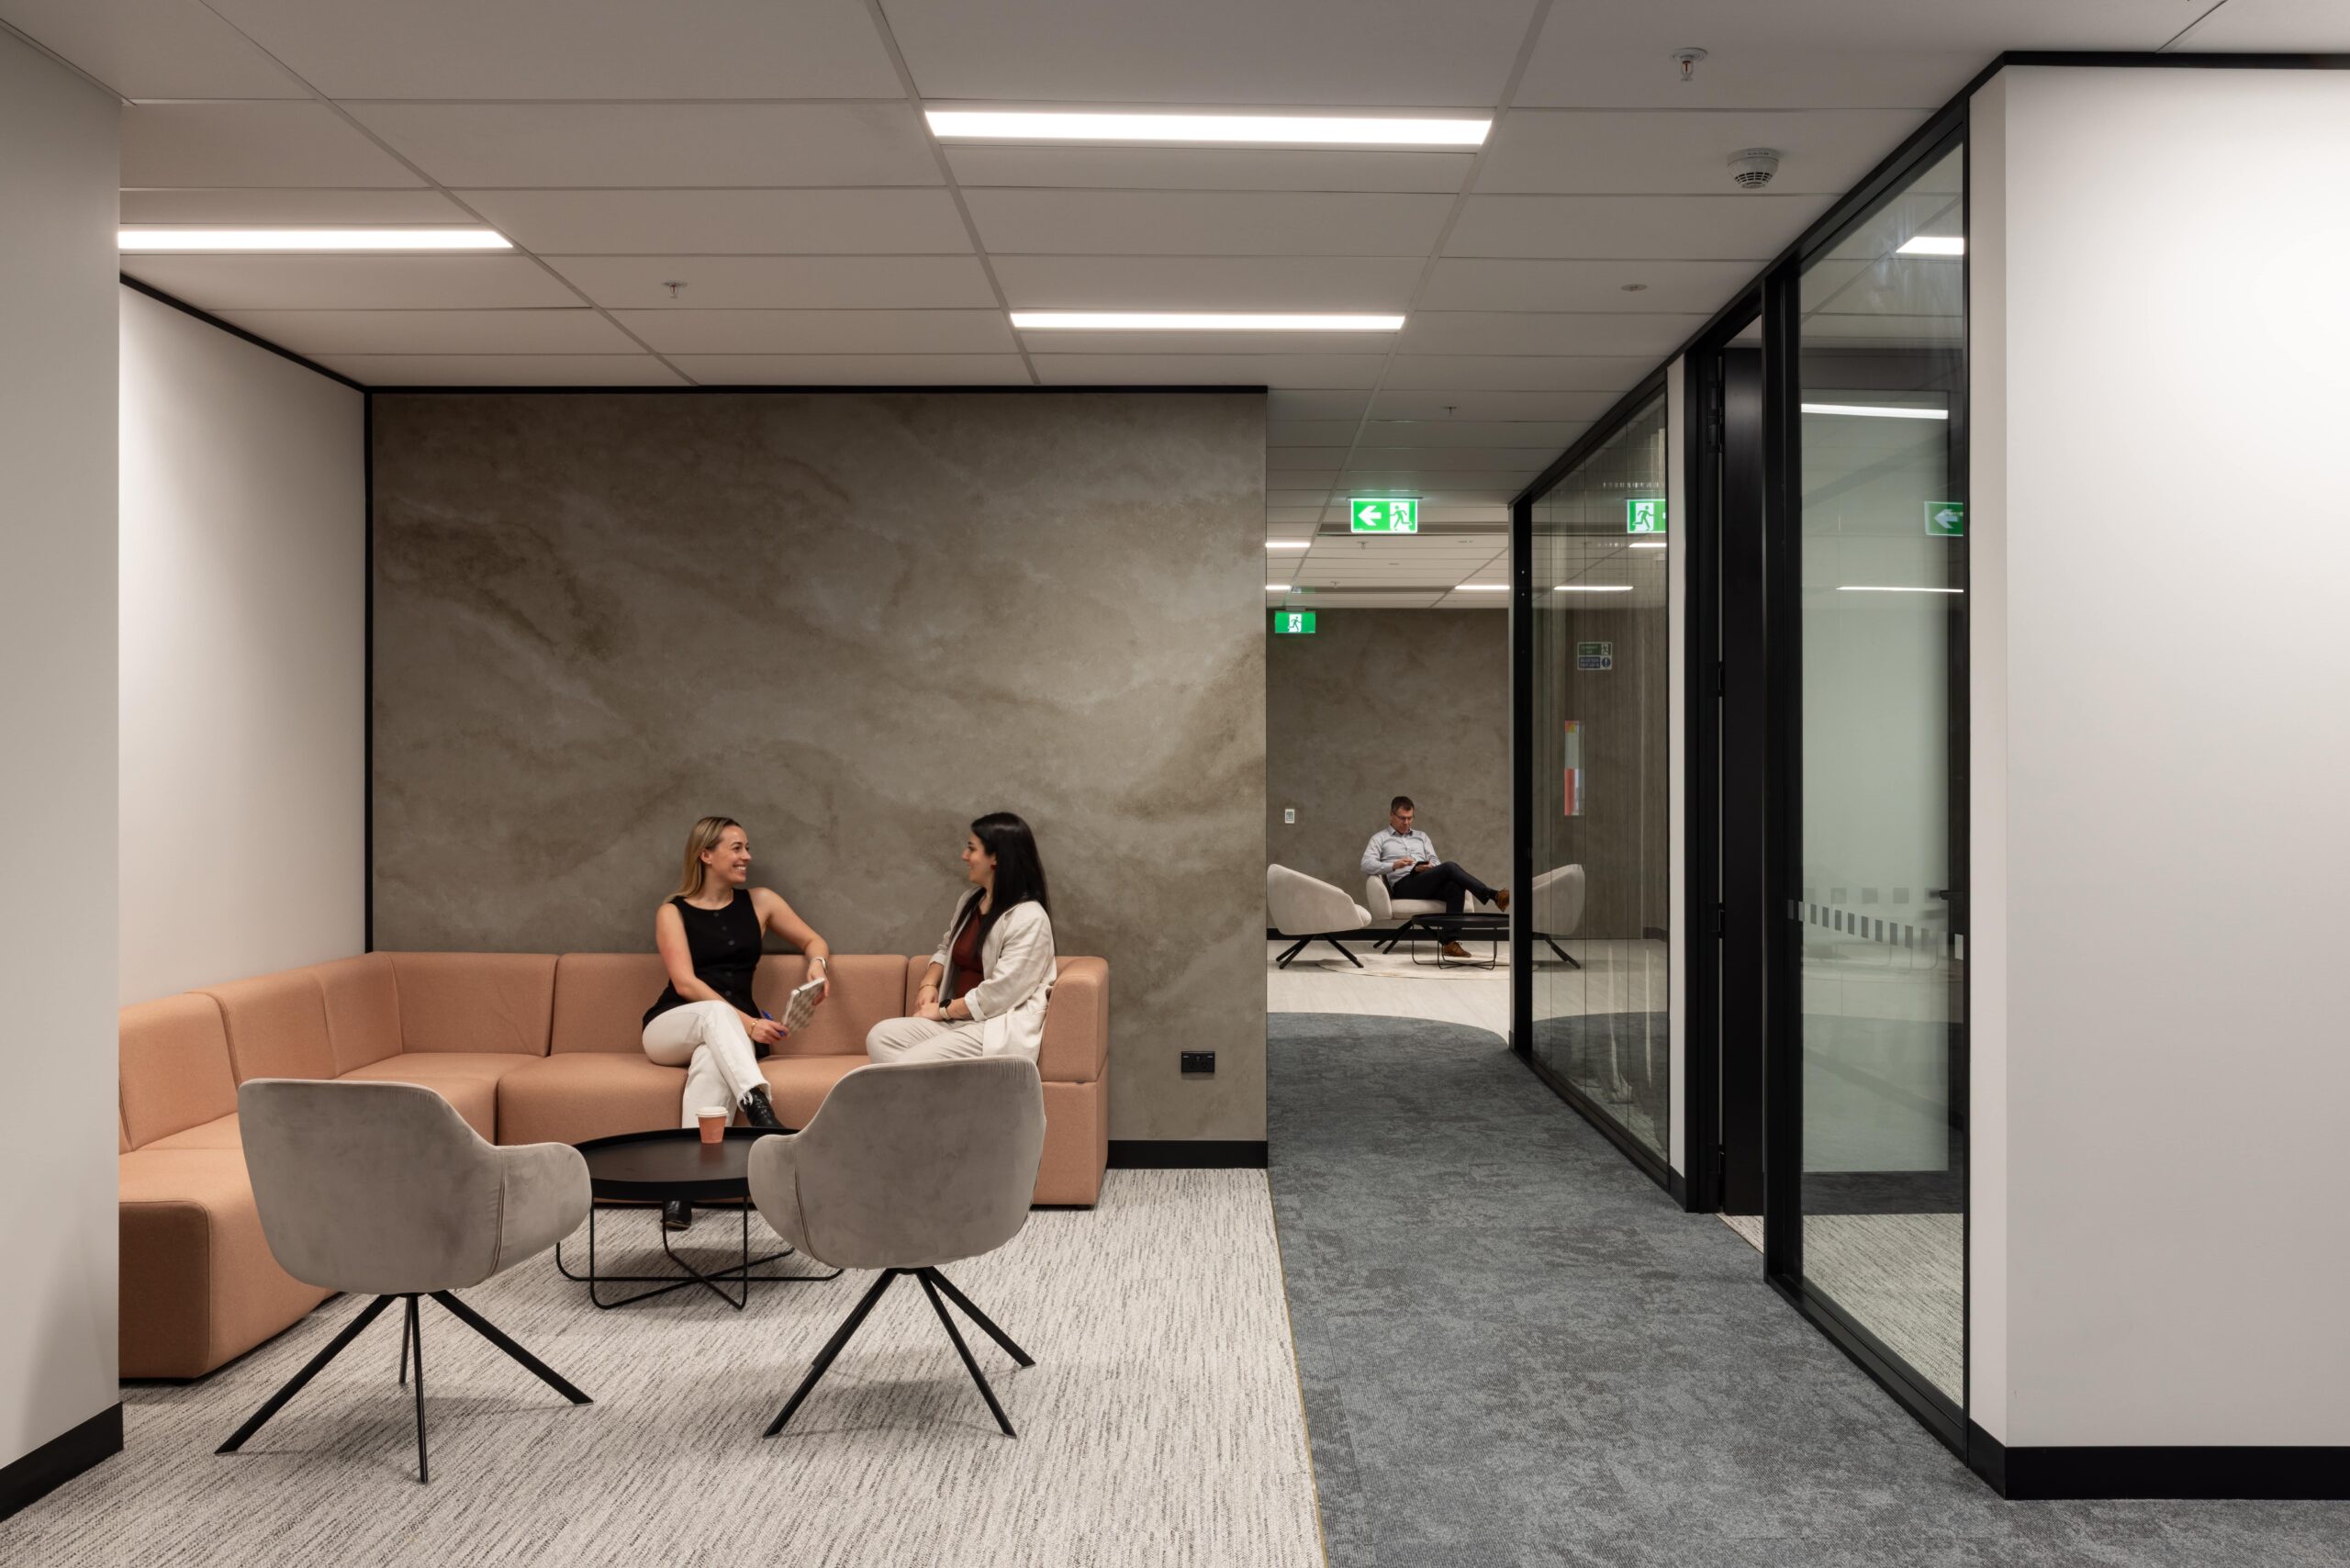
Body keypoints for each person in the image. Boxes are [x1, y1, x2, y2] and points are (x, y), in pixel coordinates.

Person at [643, 815, 831, 1229]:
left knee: (711, 1060)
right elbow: (686, 984)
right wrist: (747, 1024)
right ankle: (761, 1111)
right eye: (737, 848)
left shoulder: (761, 901)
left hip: (728, 1037)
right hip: (672, 1026)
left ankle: (683, 1187)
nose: (748, 856)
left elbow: (813, 940)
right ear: (705, 855)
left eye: (747, 847)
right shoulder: (671, 912)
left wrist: (816, 966)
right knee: (714, 1012)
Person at [868, 812, 1057, 1064]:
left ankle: (935, 1097)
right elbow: (946, 948)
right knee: (880, 1036)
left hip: (993, 1025)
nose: (964, 856)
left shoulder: (1029, 917)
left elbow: (1001, 994)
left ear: (996, 858)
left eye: (972, 849)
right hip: (957, 1021)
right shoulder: (970, 901)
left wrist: (943, 1010)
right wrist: (928, 983)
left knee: (910, 1064)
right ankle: (947, 1100)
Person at [1360, 795, 1509, 959]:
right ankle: (1493, 895)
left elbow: (1436, 861)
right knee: (1450, 866)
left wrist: (1428, 868)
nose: (1406, 823)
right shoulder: (1380, 838)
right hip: (1404, 886)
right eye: (1402, 818)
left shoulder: (1421, 837)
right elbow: (1366, 864)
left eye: (1410, 818)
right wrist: (1393, 865)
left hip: (1424, 880)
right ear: (1391, 815)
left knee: (1455, 886)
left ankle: (1450, 943)